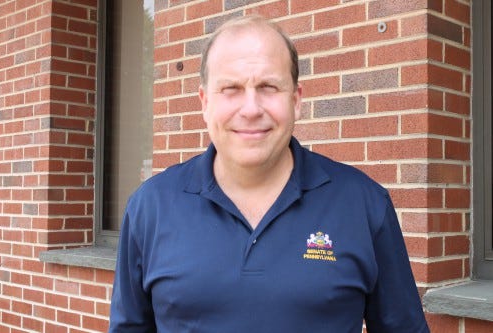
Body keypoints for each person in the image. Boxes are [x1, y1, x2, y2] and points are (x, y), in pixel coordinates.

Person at [109, 15, 430, 333]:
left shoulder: (364, 205)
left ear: (296, 100)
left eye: (268, 87)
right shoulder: (150, 208)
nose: (250, 108)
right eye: (231, 88)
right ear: (205, 103)